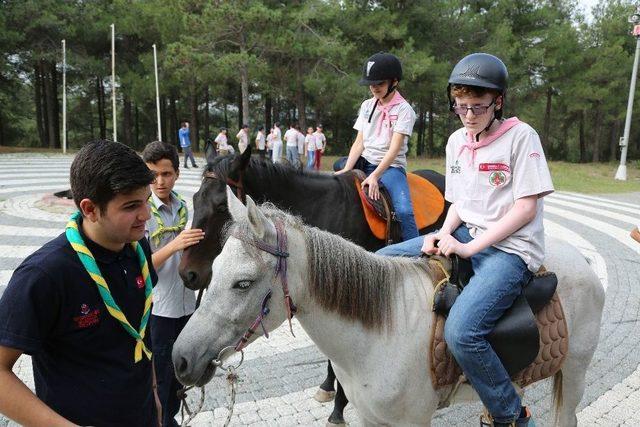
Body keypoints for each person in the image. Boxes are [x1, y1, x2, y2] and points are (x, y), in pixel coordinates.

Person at [377, 53, 554, 427]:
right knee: (382, 258)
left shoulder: (522, 137)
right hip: (463, 231)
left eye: (478, 106)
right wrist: (442, 233)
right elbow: (458, 202)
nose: (469, 115)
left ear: (498, 101)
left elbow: (525, 209)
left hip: (510, 250)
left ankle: (512, 414)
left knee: (462, 333)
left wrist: (469, 248)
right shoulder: (457, 140)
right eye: (461, 107)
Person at [0, 140, 159, 426]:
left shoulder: (137, 247)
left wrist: (155, 397)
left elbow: (140, 333)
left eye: (147, 200)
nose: (146, 215)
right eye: (132, 205)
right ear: (90, 209)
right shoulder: (45, 274)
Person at [142, 141, 205, 427]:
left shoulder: (183, 206)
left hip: (187, 306)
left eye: (166, 174)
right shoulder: (142, 213)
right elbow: (140, 266)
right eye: (153, 174)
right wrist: (175, 244)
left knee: (181, 373)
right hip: (160, 309)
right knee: (161, 375)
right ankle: (163, 420)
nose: (159, 181)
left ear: (177, 174)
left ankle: (171, 417)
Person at [335, 52, 418, 241]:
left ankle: (416, 251)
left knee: (404, 210)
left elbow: (394, 149)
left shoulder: (404, 110)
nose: (374, 88)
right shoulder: (367, 105)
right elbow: (359, 142)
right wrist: (348, 169)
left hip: (390, 166)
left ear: (394, 82)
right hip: (365, 161)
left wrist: (374, 176)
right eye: (371, 84)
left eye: (379, 84)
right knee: (338, 168)